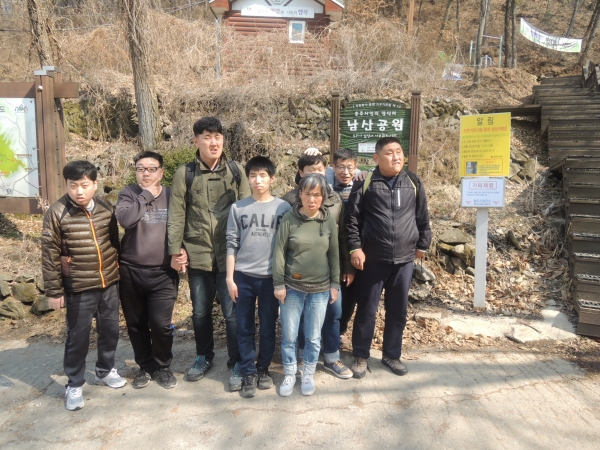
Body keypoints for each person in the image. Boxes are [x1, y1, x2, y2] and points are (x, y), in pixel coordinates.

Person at [167, 116, 251, 391]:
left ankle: (236, 360)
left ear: (223, 140)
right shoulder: (185, 173)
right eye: (207, 137)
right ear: (196, 141)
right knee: (200, 311)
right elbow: (177, 213)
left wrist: (247, 250)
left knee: (232, 313)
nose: (213, 143)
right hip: (198, 253)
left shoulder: (236, 171)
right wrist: (175, 249)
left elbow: (247, 211)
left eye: (217, 137)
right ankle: (203, 355)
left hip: (230, 256)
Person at [42, 160, 126, 411]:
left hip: (108, 281)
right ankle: (75, 383)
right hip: (78, 285)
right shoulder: (56, 212)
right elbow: (49, 254)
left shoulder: (105, 206)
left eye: (84, 185)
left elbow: (113, 241)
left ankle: (105, 369)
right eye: (73, 185)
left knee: (110, 330)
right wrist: (54, 291)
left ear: (95, 184)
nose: (79, 191)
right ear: (66, 185)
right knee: (78, 337)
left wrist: (117, 269)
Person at [346, 137, 432, 379]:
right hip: (372, 259)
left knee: (398, 311)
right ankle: (361, 355)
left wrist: (423, 243)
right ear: (376, 158)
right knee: (367, 311)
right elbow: (352, 219)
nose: (396, 157)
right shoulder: (365, 183)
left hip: (404, 260)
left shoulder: (413, 181)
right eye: (389, 153)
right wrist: (355, 248)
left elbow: (422, 216)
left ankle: (391, 355)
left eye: (399, 152)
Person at [116, 151, 186, 390]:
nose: (145, 173)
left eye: (151, 169)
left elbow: (184, 226)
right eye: (140, 169)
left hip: (163, 273)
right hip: (131, 271)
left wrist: (184, 250)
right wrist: (145, 195)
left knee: (160, 324)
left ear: (161, 172)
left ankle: (163, 367)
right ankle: (145, 367)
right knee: (136, 324)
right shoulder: (128, 193)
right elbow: (126, 220)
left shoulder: (171, 195)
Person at [282, 154, 354, 380]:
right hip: (298, 273)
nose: (316, 174)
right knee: (303, 316)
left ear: (326, 171)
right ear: (300, 173)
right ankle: (303, 357)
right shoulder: (289, 200)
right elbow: (282, 242)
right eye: (310, 171)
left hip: (329, 271)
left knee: (334, 313)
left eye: (320, 170)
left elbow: (341, 237)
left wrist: (347, 267)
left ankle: (331, 357)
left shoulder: (334, 199)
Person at [225, 156, 291, 398]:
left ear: (272, 178)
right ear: (248, 178)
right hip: (243, 276)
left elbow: (288, 245)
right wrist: (230, 278)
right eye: (253, 175)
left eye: (263, 175)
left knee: (268, 326)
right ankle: (247, 370)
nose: (258, 180)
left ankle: (263, 368)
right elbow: (231, 243)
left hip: (271, 278)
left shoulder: (283, 208)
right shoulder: (238, 208)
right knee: (244, 327)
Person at [274, 173, 340, 396]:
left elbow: (334, 254)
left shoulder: (328, 221)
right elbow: (279, 252)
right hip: (292, 287)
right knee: (289, 336)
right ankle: (290, 373)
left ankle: (308, 373)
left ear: (324, 197)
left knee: (313, 337)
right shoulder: (289, 219)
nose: (312, 199)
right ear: (300, 194)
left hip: (320, 290)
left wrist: (334, 284)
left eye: (317, 195)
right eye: (308, 194)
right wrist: (278, 284)